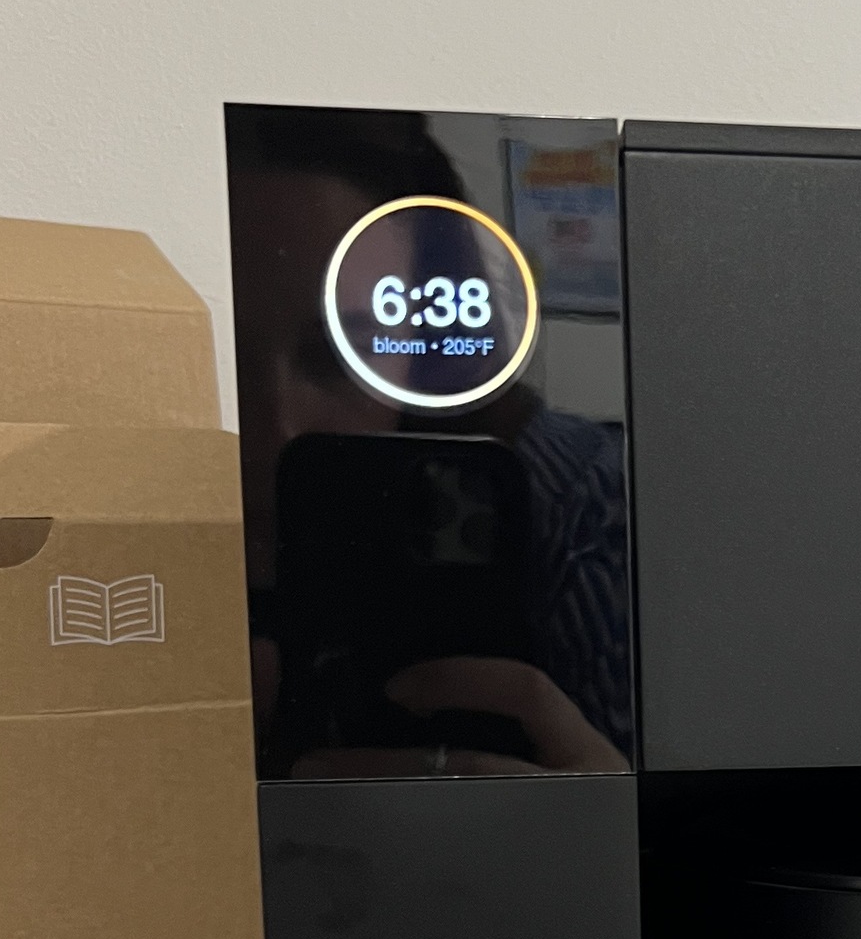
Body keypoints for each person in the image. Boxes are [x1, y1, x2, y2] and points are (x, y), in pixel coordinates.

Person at [227, 105, 631, 775]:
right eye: (219, 357)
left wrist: (604, 834)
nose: (276, 427)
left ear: (422, 362)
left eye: (346, 356)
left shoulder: (574, 507)